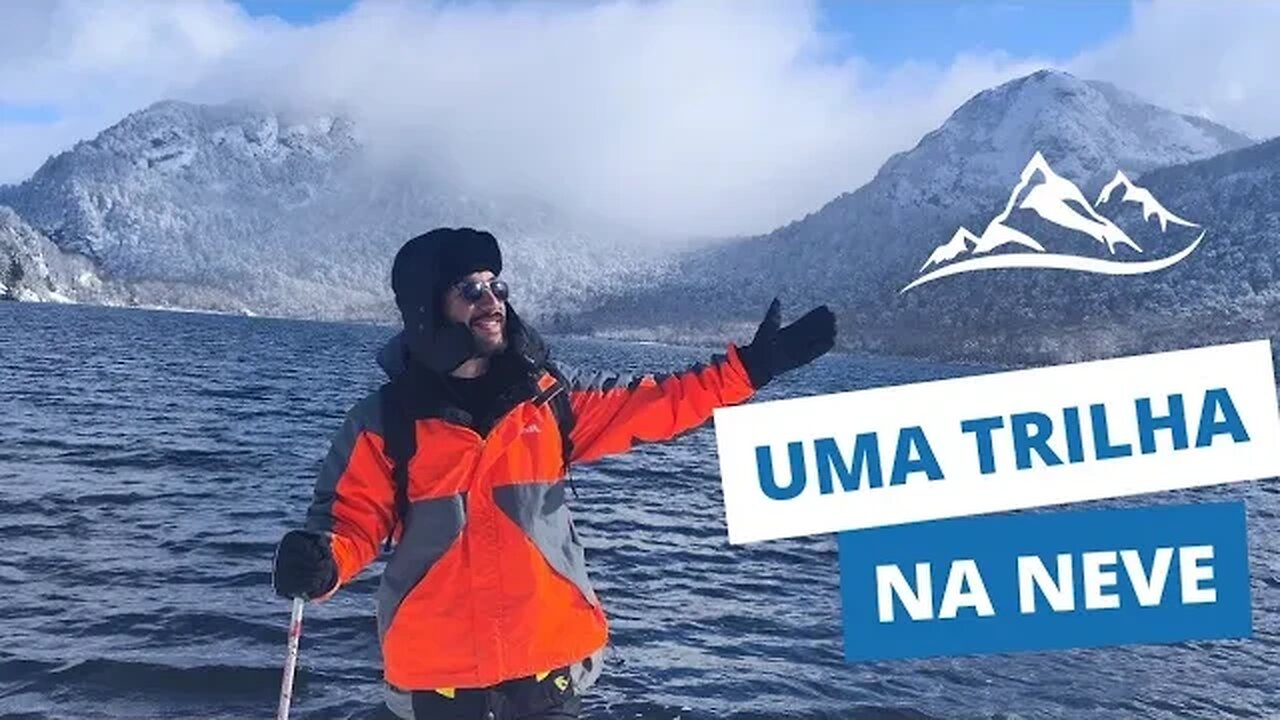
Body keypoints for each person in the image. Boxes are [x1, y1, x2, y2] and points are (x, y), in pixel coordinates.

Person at [271, 227, 836, 720]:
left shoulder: (549, 403)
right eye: (470, 290)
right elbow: (350, 525)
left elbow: (658, 403)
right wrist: (322, 562)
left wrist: (750, 371)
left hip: (546, 669)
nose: (491, 300)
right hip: (437, 678)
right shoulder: (384, 422)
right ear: (427, 307)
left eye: (497, 287)